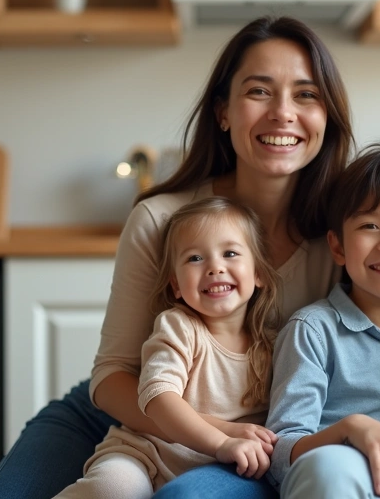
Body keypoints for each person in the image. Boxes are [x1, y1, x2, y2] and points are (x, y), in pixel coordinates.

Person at [0, 15, 353, 499]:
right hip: (131, 408)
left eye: (306, 94)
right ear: (223, 112)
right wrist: (213, 431)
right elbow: (113, 375)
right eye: (259, 91)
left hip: (253, 434)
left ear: (327, 116)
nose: (283, 113)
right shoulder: (160, 219)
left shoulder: (342, 236)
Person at [55, 197, 282, 498]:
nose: (215, 267)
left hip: (215, 474)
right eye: (195, 258)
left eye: (229, 253)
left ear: (259, 274)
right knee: (111, 488)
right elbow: (159, 397)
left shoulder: (274, 345)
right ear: (176, 285)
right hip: (146, 455)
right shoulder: (179, 328)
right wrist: (221, 441)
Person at [266, 145, 380, 499]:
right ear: (337, 247)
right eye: (370, 225)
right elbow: (280, 452)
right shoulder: (314, 329)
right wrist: (353, 429)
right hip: (333, 478)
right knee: (332, 469)